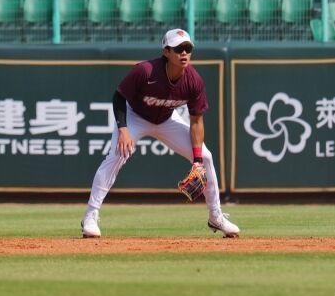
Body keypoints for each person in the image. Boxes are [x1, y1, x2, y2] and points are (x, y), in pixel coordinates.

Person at [81, 28, 240, 238]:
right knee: (117, 155)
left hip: (166, 119)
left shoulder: (193, 80)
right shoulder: (145, 71)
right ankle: (91, 215)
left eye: (188, 48)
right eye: (178, 49)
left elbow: (196, 121)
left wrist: (197, 160)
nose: (184, 53)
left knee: (206, 158)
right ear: (166, 51)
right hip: (135, 116)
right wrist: (123, 129)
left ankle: (216, 216)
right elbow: (119, 97)